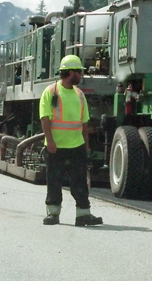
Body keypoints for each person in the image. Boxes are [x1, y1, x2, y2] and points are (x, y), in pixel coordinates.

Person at [39, 55, 103, 226]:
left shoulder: (80, 95)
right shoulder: (51, 92)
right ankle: (53, 214)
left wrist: (86, 147)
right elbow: (45, 119)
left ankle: (83, 215)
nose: (81, 76)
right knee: (54, 181)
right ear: (70, 72)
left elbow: (84, 123)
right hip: (56, 147)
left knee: (80, 182)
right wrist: (50, 142)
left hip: (77, 147)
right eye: (79, 72)